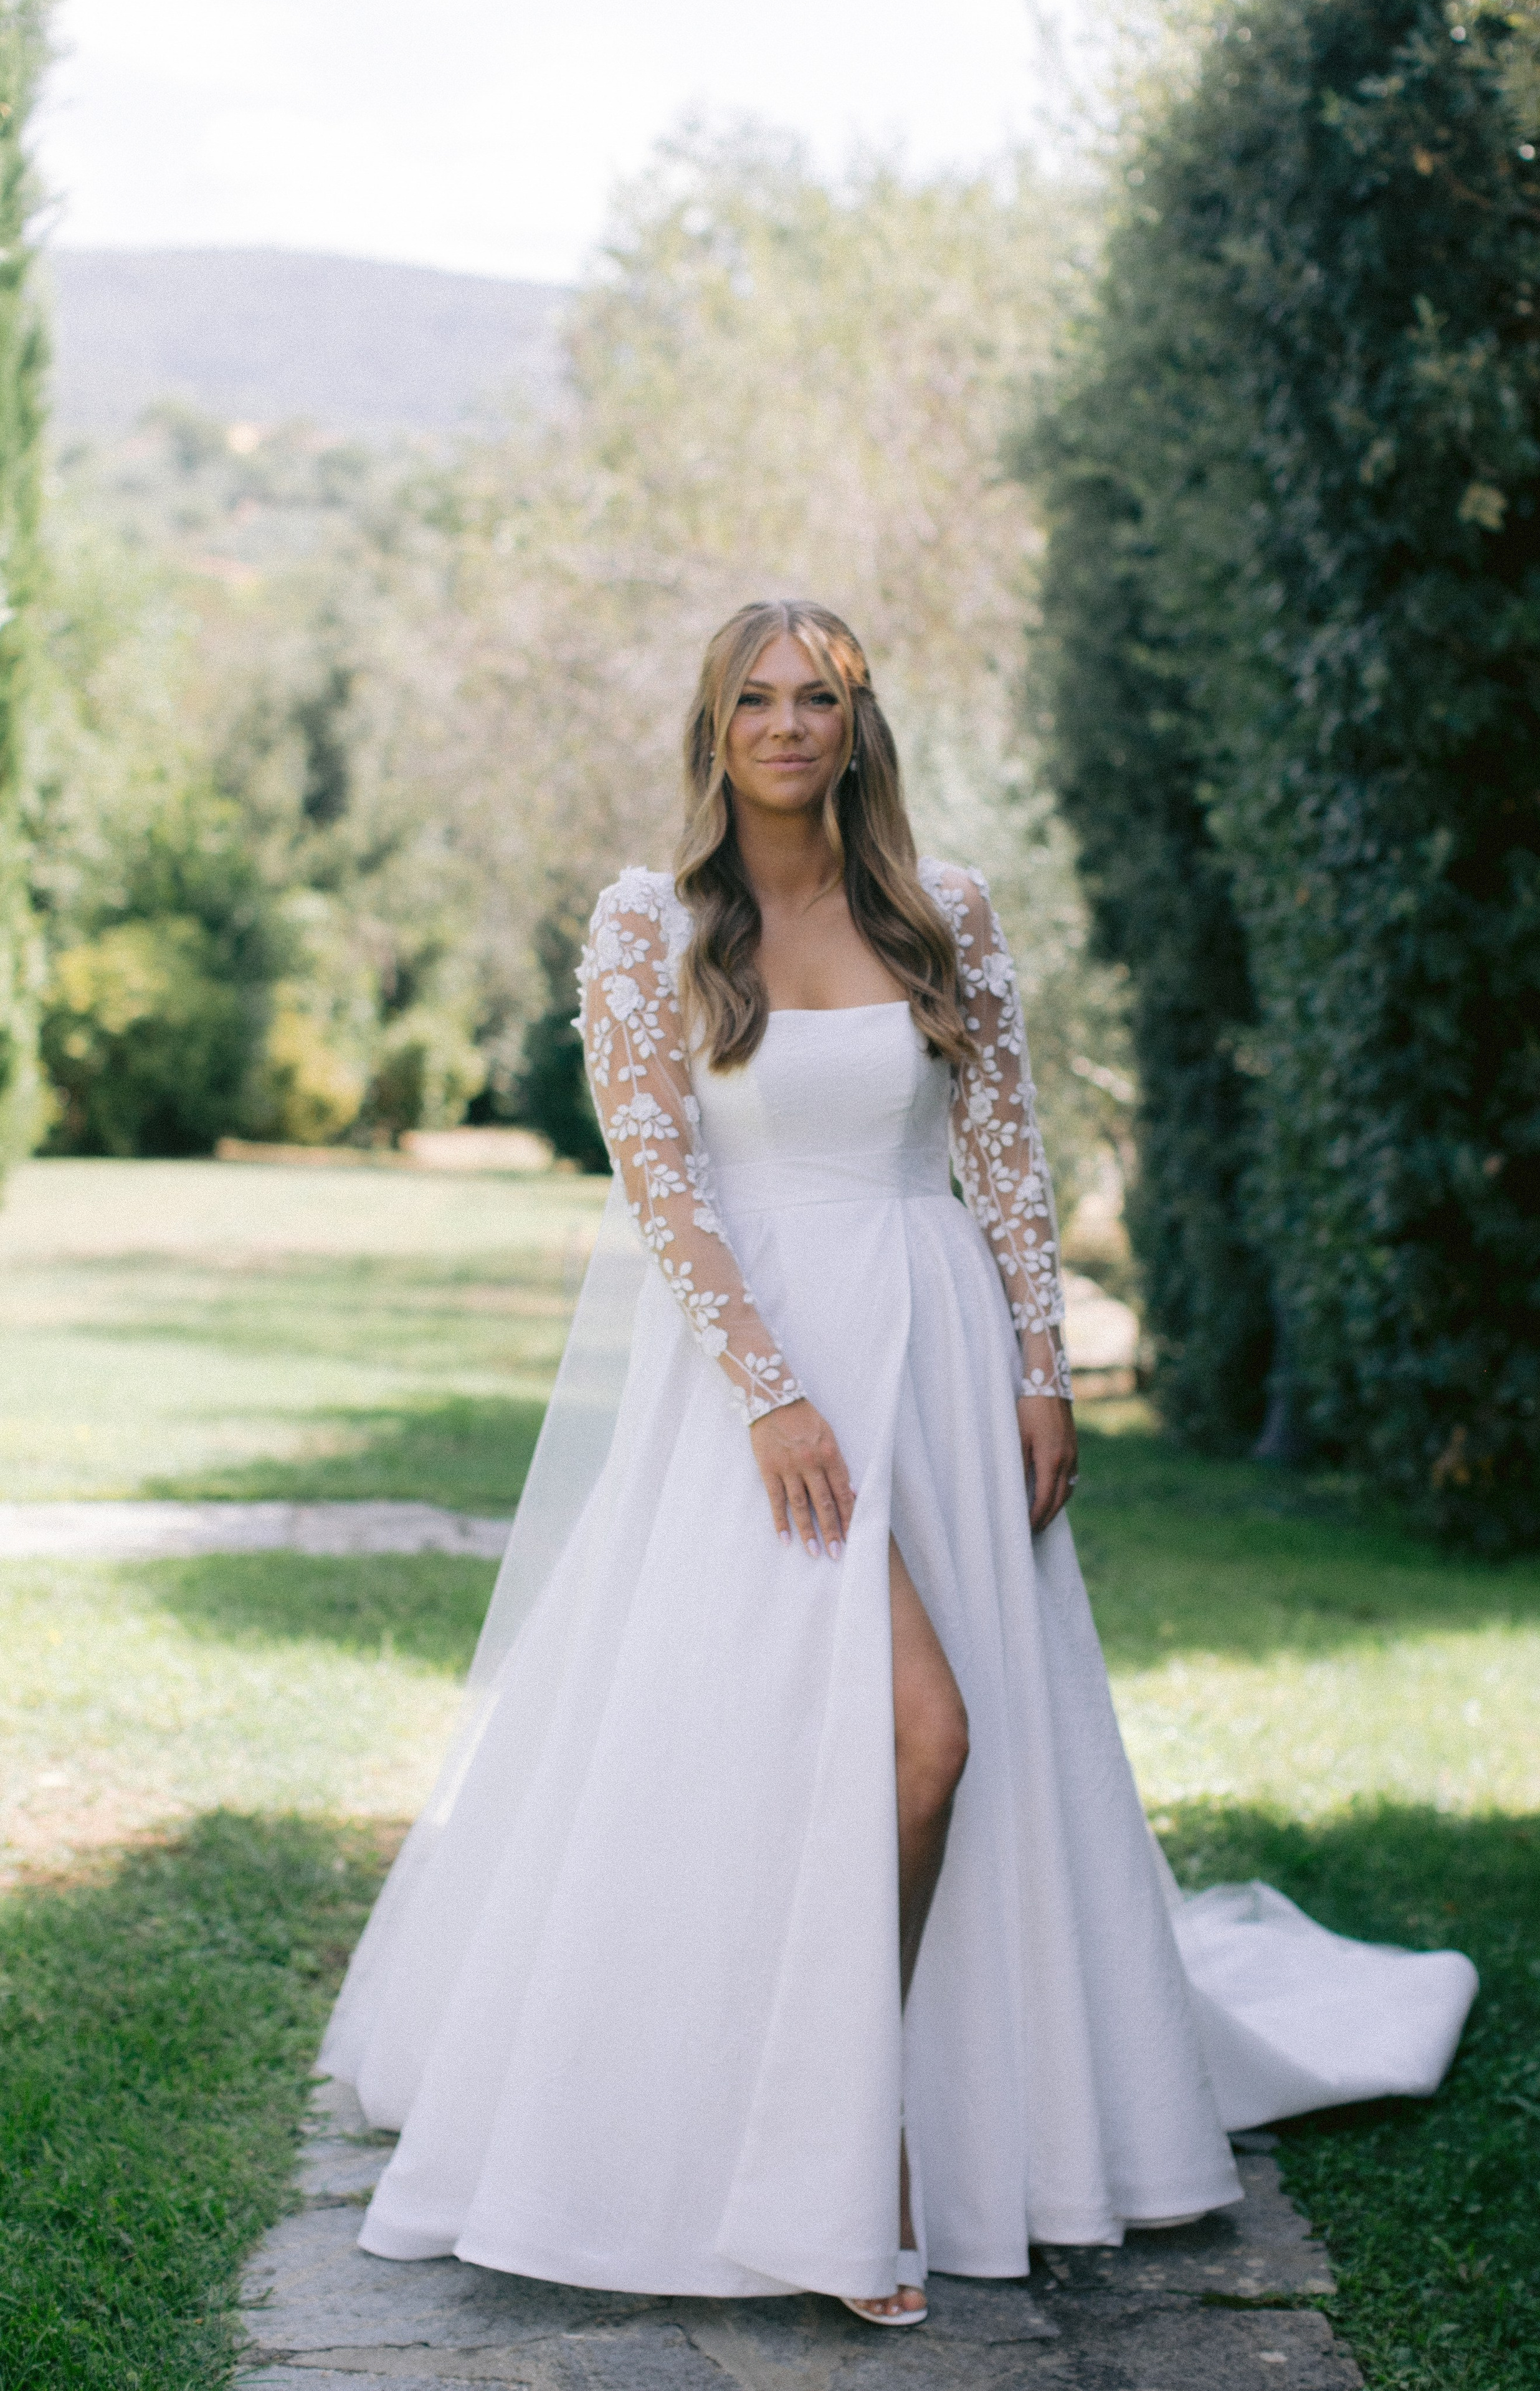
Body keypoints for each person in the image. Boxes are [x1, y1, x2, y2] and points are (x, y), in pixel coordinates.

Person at [320, 599, 1478, 2327]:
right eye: (756, 700)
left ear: (861, 727)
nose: (788, 725)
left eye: (821, 699)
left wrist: (1041, 1369)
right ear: (714, 729)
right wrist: (773, 1392)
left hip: (931, 1351)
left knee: (932, 1738)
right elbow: (664, 1187)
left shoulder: (947, 917)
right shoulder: (652, 924)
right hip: (756, 1382)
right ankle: (832, 2148)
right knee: (900, 1738)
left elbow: (1006, 1158)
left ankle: (912, 2102)